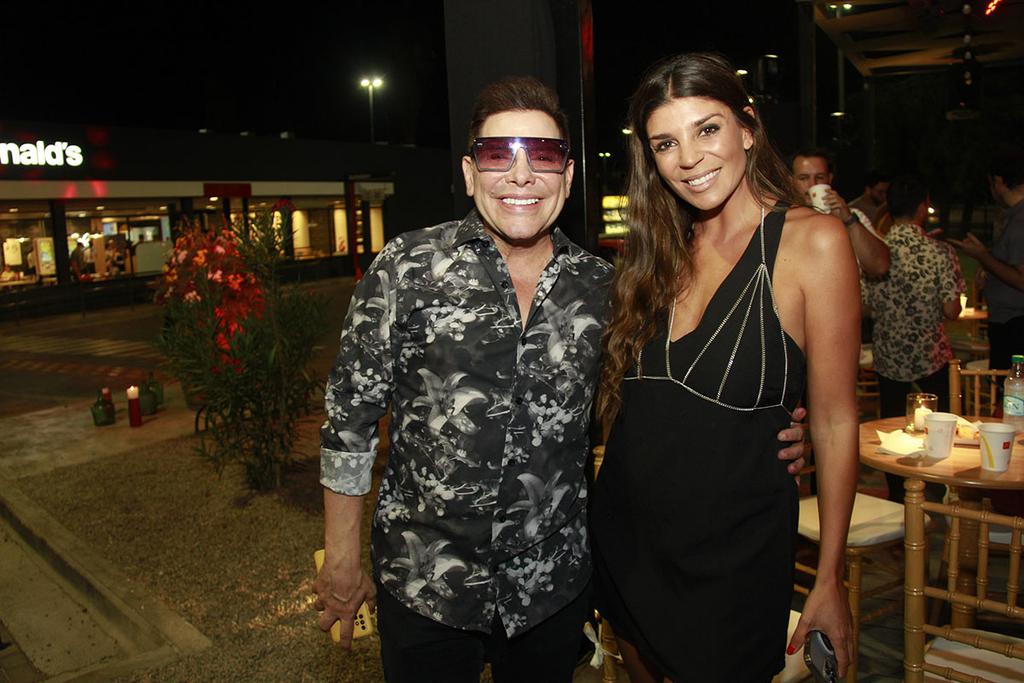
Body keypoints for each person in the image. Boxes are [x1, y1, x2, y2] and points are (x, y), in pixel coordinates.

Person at [314, 75, 808, 683]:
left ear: (568, 177)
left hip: (550, 591)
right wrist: (342, 558)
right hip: (424, 588)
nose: (521, 176)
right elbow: (349, 423)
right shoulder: (407, 268)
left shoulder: (610, 289)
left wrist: (776, 428)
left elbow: (668, 395)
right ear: (470, 173)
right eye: (498, 155)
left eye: (543, 156)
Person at [590, 53, 858, 682]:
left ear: (748, 127)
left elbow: (836, 420)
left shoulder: (812, 242)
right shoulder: (657, 252)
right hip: (627, 539)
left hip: (735, 559)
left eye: (706, 129)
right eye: (665, 143)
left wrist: (830, 577)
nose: (689, 158)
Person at [863, 175, 964, 503]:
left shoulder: (875, 253)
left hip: (889, 355)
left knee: (890, 431)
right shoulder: (940, 252)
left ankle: (898, 497)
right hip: (930, 354)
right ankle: (940, 490)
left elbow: (863, 306)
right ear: (922, 207)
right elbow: (951, 310)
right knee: (941, 428)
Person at [949, 151, 1024, 373]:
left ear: (998, 181)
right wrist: (989, 270)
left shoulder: (1020, 222)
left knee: (1011, 389)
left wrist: (982, 256)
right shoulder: (1013, 217)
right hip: (1009, 322)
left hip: (1015, 325)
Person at [791, 148, 890, 278]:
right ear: (791, 181)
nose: (812, 184)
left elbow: (880, 267)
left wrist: (848, 220)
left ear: (830, 179)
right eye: (803, 178)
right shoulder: (783, 220)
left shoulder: (851, 216)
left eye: (820, 177)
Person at [849, 169, 892, 236]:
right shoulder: (852, 209)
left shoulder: (890, 207)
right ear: (868, 190)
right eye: (880, 192)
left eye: (887, 192)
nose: (885, 196)